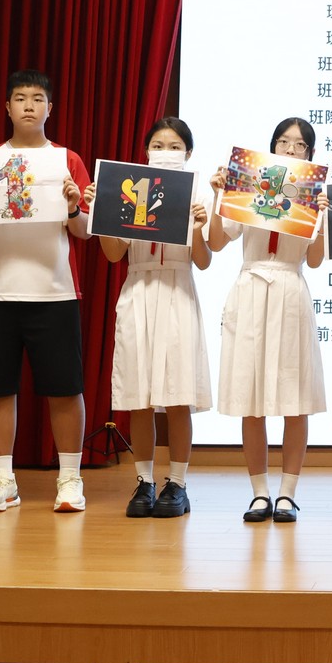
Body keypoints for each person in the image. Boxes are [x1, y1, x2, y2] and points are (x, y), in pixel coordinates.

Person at [0, 70, 93, 514]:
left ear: (50, 108)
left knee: (65, 387)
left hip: (53, 291)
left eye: (37, 98)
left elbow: (85, 231)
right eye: (20, 98)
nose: (29, 105)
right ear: (8, 108)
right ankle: (3, 480)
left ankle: (69, 480)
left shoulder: (67, 160)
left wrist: (73, 205)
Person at [86, 117, 212, 519]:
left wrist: (198, 226)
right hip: (138, 289)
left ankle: (178, 483)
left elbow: (204, 261)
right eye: (158, 145)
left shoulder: (197, 193)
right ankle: (144, 481)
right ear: (145, 152)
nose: (166, 152)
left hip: (178, 291)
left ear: (188, 153)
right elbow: (113, 254)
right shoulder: (131, 189)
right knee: (138, 395)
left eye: (174, 146)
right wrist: (101, 214)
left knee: (177, 396)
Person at [208, 117, 328, 524]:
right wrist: (220, 195)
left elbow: (315, 260)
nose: (291, 149)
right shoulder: (248, 187)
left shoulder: (313, 194)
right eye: (283, 142)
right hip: (251, 287)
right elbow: (216, 242)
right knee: (251, 397)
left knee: (296, 400)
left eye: (299, 144)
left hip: (290, 289)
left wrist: (321, 218)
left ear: (310, 153)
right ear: (272, 147)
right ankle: (260, 492)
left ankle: (288, 493)